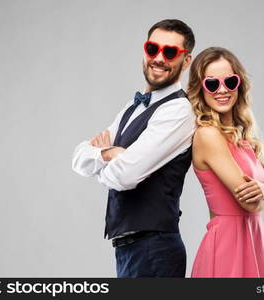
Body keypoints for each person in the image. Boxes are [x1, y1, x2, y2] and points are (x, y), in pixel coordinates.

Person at [71, 19, 196, 278]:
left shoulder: (178, 111)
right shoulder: (133, 106)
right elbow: (79, 158)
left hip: (154, 249)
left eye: (170, 52)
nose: (159, 58)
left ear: (186, 61)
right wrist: (110, 153)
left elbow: (125, 177)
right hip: (130, 250)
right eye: (153, 49)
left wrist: (106, 168)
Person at [187, 47, 264, 277]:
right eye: (212, 84)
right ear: (200, 89)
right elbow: (249, 204)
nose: (222, 90)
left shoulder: (244, 139)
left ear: (238, 84)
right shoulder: (208, 135)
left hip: (254, 240)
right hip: (227, 246)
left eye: (229, 82)